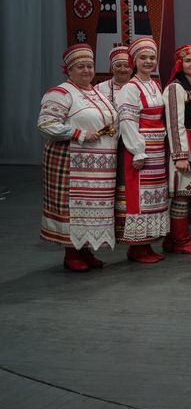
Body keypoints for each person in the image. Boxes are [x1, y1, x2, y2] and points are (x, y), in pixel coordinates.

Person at [38, 44, 119, 271]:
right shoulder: (61, 93)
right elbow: (46, 124)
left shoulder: (97, 93)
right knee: (74, 209)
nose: (87, 70)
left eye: (90, 66)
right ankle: (71, 253)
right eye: (81, 66)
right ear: (69, 69)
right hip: (72, 164)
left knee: (92, 210)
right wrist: (78, 133)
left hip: (100, 167)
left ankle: (86, 249)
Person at [113, 36, 171, 264]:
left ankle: (146, 244)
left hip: (157, 150)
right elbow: (128, 121)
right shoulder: (130, 88)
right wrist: (137, 151)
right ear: (134, 61)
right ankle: (136, 248)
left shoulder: (154, 84)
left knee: (154, 197)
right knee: (139, 196)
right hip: (141, 149)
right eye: (143, 58)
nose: (148, 62)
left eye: (152, 58)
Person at [162, 44, 191, 255]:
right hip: (183, 146)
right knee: (181, 195)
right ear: (180, 64)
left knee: (187, 194)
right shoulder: (175, 88)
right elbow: (174, 123)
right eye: (188, 61)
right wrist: (179, 156)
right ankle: (181, 241)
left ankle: (172, 241)